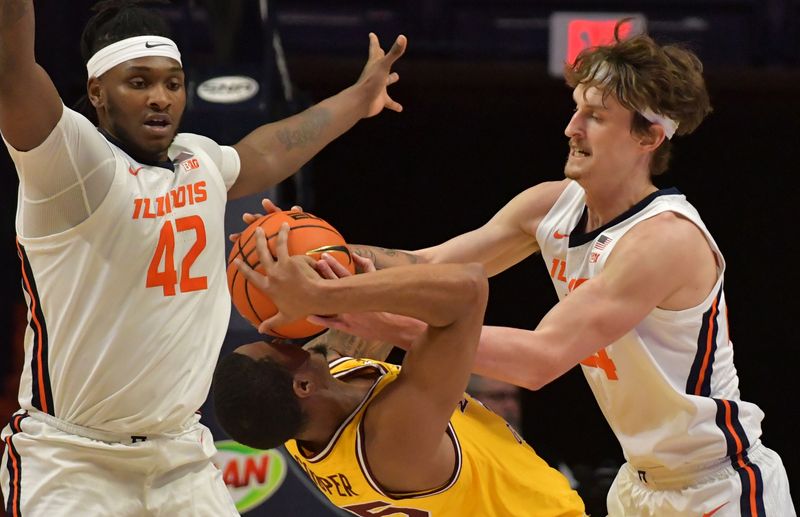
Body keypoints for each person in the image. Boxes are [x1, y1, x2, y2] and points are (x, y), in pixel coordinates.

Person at [316, 24, 796, 516]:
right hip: (640, 484)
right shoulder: (550, 207)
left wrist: (390, 324)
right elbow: (429, 265)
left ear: (649, 136)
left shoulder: (663, 240)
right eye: (576, 108)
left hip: (720, 486)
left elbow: (538, 359)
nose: (572, 127)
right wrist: (324, 264)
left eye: (596, 116)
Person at [0, 0, 405, 514]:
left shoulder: (198, 158)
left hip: (181, 456)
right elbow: (12, 71)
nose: (161, 98)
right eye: (139, 82)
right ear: (98, 92)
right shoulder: (72, 165)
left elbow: (271, 149)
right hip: (73, 460)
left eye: (173, 83)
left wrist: (358, 97)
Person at [212, 224, 586, 516]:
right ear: (304, 386)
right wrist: (340, 294)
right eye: (277, 349)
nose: (287, 342)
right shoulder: (392, 441)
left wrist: (288, 238)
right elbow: (468, 288)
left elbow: (362, 315)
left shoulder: (318, 398)